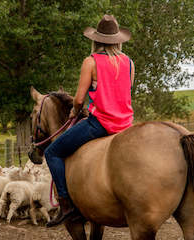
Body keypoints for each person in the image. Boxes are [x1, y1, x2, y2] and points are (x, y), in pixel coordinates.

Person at [44, 14, 135, 227]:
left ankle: (66, 205)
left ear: (96, 39)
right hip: (126, 125)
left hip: (100, 123)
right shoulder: (130, 63)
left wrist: (74, 112)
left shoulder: (91, 62)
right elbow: (124, 92)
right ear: (117, 40)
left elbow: (78, 99)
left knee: (52, 152)